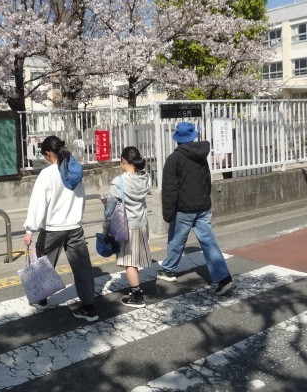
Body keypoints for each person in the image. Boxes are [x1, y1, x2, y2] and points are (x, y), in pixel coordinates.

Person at [23, 136, 98, 322]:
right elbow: (81, 197)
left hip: (52, 228)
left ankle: (41, 300)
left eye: (44, 155)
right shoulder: (75, 170)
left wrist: (30, 229)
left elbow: (38, 203)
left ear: (49, 153)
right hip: (75, 226)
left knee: (43, 263)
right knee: (82, 268)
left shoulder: (47, 174)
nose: (45, 159)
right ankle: (89, 307)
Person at [158, 122, 236, 296]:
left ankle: (168, 270)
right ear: (193, 137)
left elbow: (170, 189)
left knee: (176, 239)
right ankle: (224, 279)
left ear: (178, 139)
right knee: (209, 242)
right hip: (203, 206)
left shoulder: (174, 159)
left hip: (184, 208)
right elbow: (207, 179)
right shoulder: (201, 155)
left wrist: (167, 213)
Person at [101, 146, 151, 308]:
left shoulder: (119, 182)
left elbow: (109, 211)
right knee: (135, 259)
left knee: (129, 262)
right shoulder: (145, 178)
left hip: (126, 226)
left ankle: (137, 296)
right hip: (142, 223)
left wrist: (105, 230)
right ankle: (135, 290)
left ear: (123, 161)